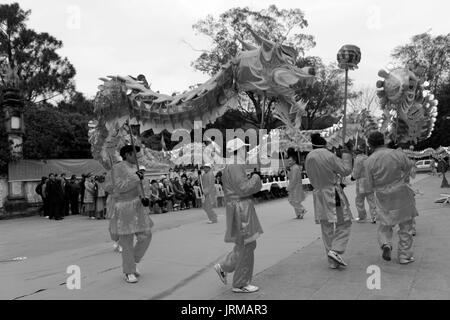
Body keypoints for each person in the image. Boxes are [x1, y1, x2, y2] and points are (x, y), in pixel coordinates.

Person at [214, 138, 263, 293]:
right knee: (247, 245)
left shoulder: (233, 165)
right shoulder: (235, 165)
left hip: (238, 207)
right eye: (244, 148)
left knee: (245, 244)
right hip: (241, 209)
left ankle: (225, 266)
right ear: (239, 150)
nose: (246, 151)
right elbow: (243, 188)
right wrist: (256, 177)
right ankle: (240, 283)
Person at [101, 145, 153, 283]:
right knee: (127, 241)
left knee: (146, 236)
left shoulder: (137, 168)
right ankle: (129, 271)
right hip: (124, 208)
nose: (137, 156)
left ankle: (133, 262)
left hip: (138, 207)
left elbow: (144, 185)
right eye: (135, 154)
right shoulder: (117, 168)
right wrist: (136, 178)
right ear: (128, 154)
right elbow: (118, 187)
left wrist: (145, 197)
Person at [365, 132, 418, 265]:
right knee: (406, 225)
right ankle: (404, 256)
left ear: (370, 144)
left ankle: (386, 243)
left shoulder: (369, 161)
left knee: (385, 224)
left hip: (383, 195)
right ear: (383, 140)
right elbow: (408, 167)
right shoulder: (397, 153)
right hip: (401, 191)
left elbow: (369, 184)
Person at [305, 133, 353, 269]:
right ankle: (336, 250)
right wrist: (346, 155)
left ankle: (332, 261)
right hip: (332, 193)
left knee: (326, 227)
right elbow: (345, 171)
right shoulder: (328, 155)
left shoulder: (309, 157)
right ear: (325, 144)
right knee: (344, 222)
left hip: (318, 194)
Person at [352, 148, 377, 224]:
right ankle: (374, 217)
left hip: (361, 182)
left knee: (359, 200)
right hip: (369, 181)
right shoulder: (368, 158)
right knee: (372, 200)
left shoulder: (358, 159)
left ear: (355, 153)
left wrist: (353, 177)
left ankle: (362, 216)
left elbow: (356, 171)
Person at [286, 148, 307, 219]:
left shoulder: (295, 168)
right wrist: (288, 171)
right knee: (294, 200)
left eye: (290, 161)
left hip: (295, 186)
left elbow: (294, 179)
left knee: (293, 200)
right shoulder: (293, 167)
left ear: (294, 161)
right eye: (288, 161)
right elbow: (290, 177)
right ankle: (298, 214)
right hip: (294, 186)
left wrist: (289, 187)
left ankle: (302, 209)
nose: (289, 162)